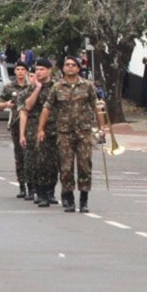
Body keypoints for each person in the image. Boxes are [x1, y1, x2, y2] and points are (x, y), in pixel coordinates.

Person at [40, 56, 97, 213]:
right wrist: (41, 128)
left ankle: (84, 199)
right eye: (67, 65)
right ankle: (68, 198)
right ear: (63, 68)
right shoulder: (57, 87)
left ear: (78, 68)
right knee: (66, 167)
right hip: (64, 133)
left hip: (83, 133)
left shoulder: (87, 86)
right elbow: (47, 108)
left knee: (85, 166)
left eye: (73, 65)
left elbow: (95, 106)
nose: (70, 67)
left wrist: (103, 127)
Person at [20, 58, 59, 207]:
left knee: (54, 163)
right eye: (37, 69)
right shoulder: (32, 87)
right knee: (39, 162)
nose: (39, 72)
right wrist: (37, 88)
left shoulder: (57, 86)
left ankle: (51, 191)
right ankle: (40, 192)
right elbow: (27, 107)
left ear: (49, 70)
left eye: (42, 69)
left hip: (54, 128)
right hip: (36, 129)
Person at [0, 61, 29, 196]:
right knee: (19, 155)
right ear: (15, 71)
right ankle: (22, 185)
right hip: (16, 124)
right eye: (18, 69)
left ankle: (32, 185)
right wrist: (6, 104)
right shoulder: (9, 88)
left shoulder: (31, 87)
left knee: (31, 156)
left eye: (23, 69)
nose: (21, 72)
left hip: (31, 125)